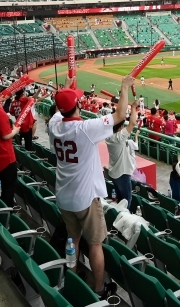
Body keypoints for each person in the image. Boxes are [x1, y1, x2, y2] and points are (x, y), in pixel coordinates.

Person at [48, 75, 133, 299]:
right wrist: (124, 87)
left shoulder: (54, 125)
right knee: (95, 245)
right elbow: (120, 116)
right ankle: (98, 290)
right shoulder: (85, 128)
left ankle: (73, 277)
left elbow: (58, 110)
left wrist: (64, 91)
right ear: (76, 105)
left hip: (64, 196)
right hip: (86, 198)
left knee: (72, 239)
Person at [105, 100, 139, 208]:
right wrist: (133, 108)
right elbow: (132, 123)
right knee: (126, 201)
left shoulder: (108, 135)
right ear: (120, 128)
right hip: (122, 174)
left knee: (120, 199)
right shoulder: (119, 137)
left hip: (114, 172)